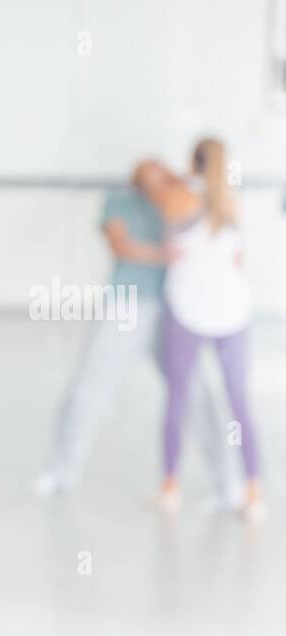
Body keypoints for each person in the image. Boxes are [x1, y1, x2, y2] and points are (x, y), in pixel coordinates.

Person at [36, 160, 238, 505]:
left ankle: (227, 482)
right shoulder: (119, 202)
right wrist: (163, 254)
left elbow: (214, 222)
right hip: (126, 305)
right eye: (148, 173)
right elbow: (120, 245)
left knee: (196, 391)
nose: (154, 178)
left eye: (161, 172)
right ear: (136, 179)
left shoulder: (180, 200)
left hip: (172, 310)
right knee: (88, 386)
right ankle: (61, 469)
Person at [150, 138, 263, 521]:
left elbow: (165, 225)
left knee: (178, 398)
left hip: (189, 312)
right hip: (233, 312)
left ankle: (170, 485)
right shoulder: (231, 202)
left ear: (191, 161)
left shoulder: (179, 195)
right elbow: (239, 258)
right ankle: (254, 491)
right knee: (239, 400)